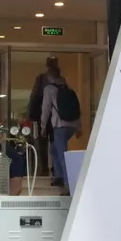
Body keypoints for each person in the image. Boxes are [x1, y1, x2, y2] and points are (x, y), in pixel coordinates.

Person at [39, 59, 82, 189]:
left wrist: (42, 126)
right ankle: (60, 176)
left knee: (62, 154)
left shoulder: (49, 89)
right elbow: (77, 108)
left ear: (50, 76)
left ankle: (68, 184)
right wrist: (79, 127)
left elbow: (46, 108)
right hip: (72, 125)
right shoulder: (69, 89)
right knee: (54, 149)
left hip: (60, 125)